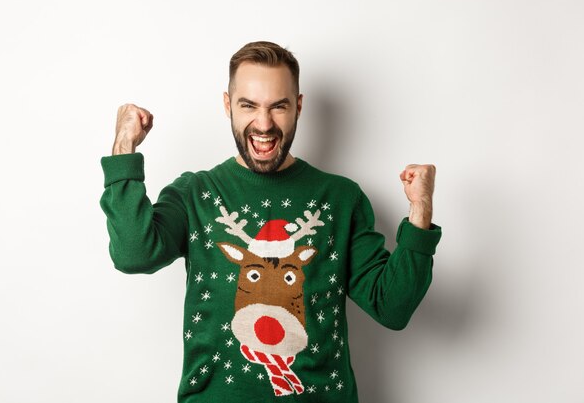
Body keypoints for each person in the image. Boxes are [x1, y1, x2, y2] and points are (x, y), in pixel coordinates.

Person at [100, 41, 442, 402]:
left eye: (278, 107)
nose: (263, 124)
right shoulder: (195, 193)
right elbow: (133, 253)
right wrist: (124, 148)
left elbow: (392, 307)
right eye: (248, 105)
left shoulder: (341, 199)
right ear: (227, 105)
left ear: (298, 106)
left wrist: (420, 211)